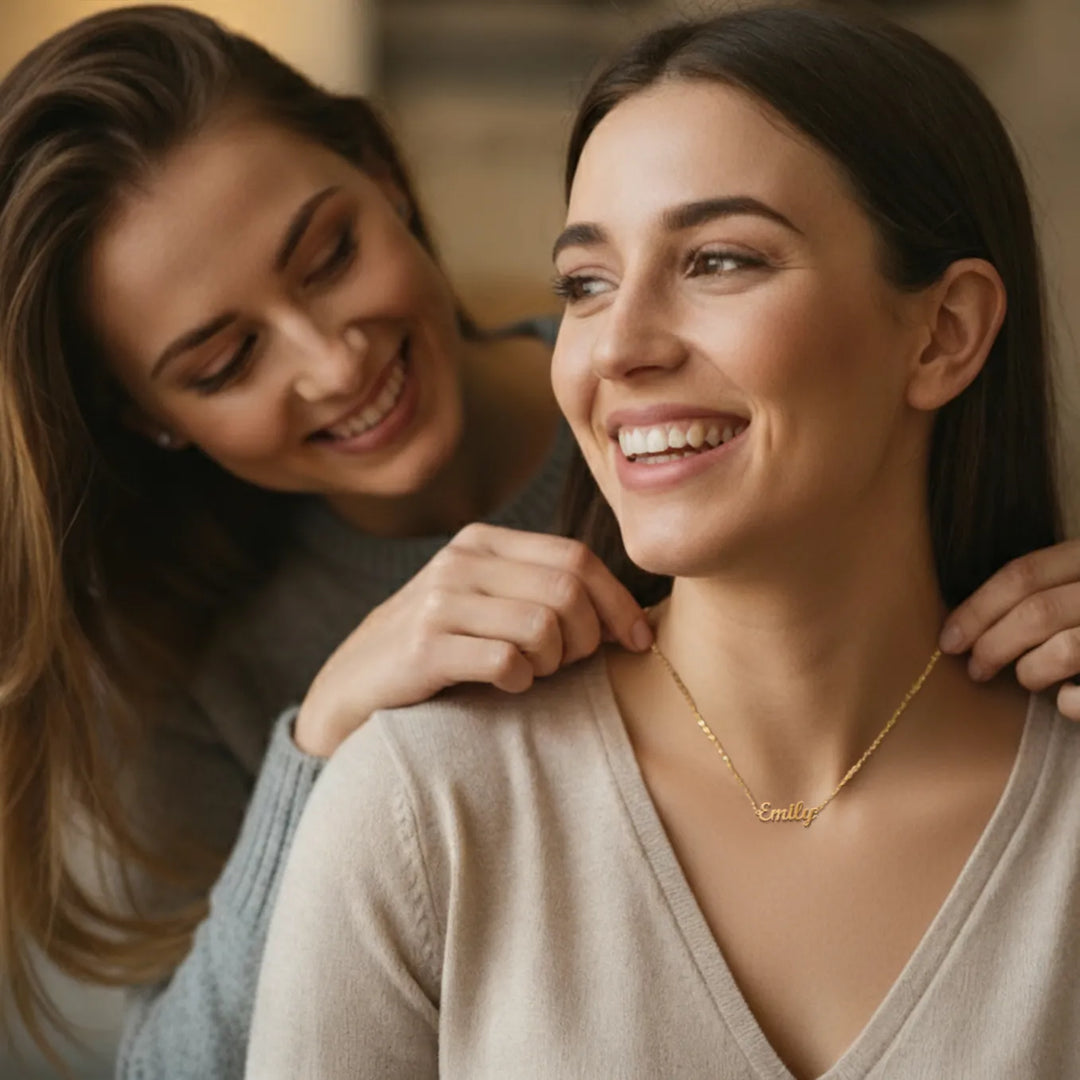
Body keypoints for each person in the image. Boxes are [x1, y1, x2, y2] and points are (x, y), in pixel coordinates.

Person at [0, 5, 1073, 1077]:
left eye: (329, 255)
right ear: (150, 416)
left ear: (386, 173)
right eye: (224, 361)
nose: (333, 363)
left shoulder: (715, 407)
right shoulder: (232, 698)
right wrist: (319, 749)